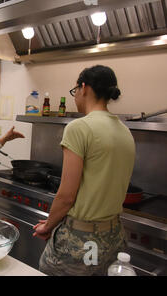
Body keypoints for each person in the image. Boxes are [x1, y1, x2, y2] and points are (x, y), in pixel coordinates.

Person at [33, 65, 136, 276]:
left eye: (75, 91)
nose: (75, 97)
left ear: (84, 88)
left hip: (81, 240)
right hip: (114, 236)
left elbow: (67, 195)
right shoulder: (125, 131)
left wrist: (48, 225)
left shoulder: (79, 128)